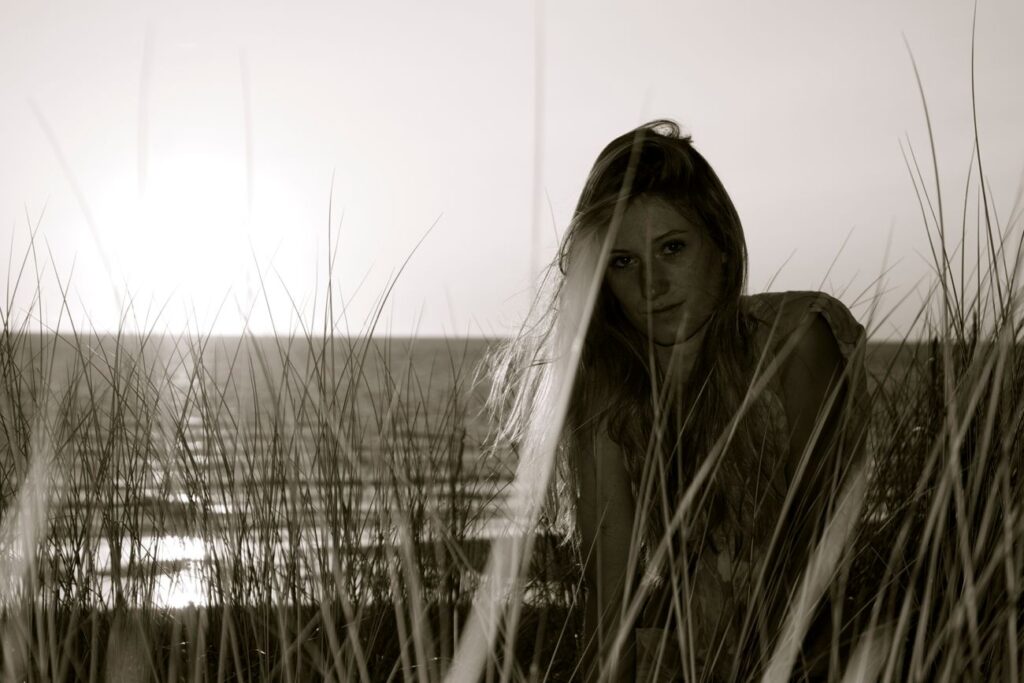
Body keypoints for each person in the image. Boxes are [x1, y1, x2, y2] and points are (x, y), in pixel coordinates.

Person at [483, 120, 870, 681]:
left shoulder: (795, 342)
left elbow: (820, 561)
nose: (651, 286)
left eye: (672, 248)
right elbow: (609, 604)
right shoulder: (607, 395)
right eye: (623, 262)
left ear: (721, 246)